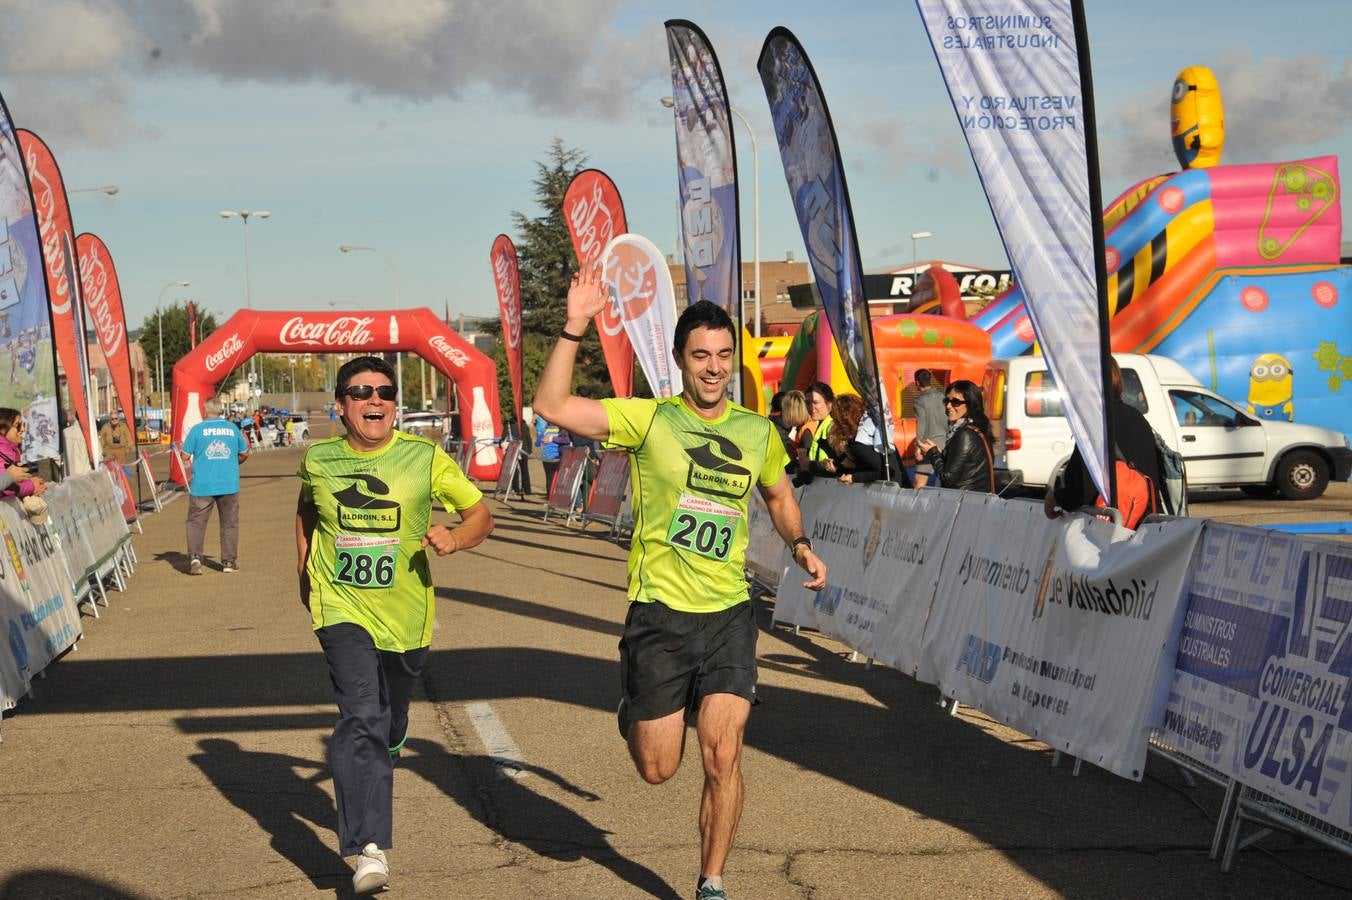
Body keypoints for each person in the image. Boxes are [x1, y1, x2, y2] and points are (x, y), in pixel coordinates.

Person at [533, 269, 827, 900]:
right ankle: (635, 707)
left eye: (724, 356)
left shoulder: (756, 431)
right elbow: (551, 407)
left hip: (728, 615)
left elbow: (778, 492)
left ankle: (711, 882)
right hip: (660, 614)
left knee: (723, 755)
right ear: (679, 362)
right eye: (701, 356)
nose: (714, 368)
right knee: (658, 768)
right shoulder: (649, 421)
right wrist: (575, 323)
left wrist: (799, 544)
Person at [296, 356, 494, 894]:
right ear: (341, 406)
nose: (374, 400)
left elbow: (480, 513)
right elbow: (308, 511)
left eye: (383, 392)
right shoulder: (318, 459)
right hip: (341, 607)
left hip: (407, 616)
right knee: (360, 718)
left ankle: (395, 730)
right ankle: (369, 849)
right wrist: (303, 568)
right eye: (360, 393)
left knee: (389, 716)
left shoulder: (423, 458)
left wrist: (455, 536)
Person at [1045, 358, 1163, 522]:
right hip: (1146, 527)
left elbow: (1081, 492)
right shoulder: (1138, 418)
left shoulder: (1095, 424)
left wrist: (1055, 498)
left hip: (1110, 533)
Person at [182, 398, 250, 574]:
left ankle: (195, 557)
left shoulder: (197, 430)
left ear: (205, 411)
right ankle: (228, 562)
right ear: (221, 410)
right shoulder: (232, 429)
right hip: (228, 483)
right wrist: (234, 462)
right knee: (229, 524)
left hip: (202, 485)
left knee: (196, 522)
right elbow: (244, 452)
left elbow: (184, 455)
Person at [916, 380, 995, 492]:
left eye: (956, 402)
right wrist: (940, 454)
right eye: (946, 401)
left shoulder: (965, 434)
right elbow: (962, 467)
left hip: (964, 502)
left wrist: (932, 453)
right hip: (973, 499)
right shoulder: (975, 429)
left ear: (970, 404)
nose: (948, 406)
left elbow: (947, 478)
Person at [0, 408, 47, 500]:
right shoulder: (2, 453)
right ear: (2, 429)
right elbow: (5, 489)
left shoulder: (11, 450)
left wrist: (33, 483)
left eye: (23, 424)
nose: (23, 429)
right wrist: (32, 486)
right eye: (17, 425)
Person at [912, 369, 946, 488]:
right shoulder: (943, 396)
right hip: (946, 444)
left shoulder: (919, 401)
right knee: (943, 481)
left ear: (916, 383)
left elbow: (921, 424)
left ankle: (915, 507)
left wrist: (918, 447)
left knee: (919, 483)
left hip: (928, 445)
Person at [798, 382, 834, 472]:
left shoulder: (832, 426)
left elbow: (840, 463)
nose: (811, 408)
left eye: (816, 402)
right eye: (808, 403)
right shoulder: (823, 423)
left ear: (829, 403)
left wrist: (810, 465)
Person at [535, 413, 572, 499]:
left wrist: (541, 439)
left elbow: (537, 443)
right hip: (557, 457)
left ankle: (549, 497)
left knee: (549, 477)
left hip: (546, 458)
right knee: (558, 477)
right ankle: (558, 496)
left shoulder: (544, 431)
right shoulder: (559, 431)